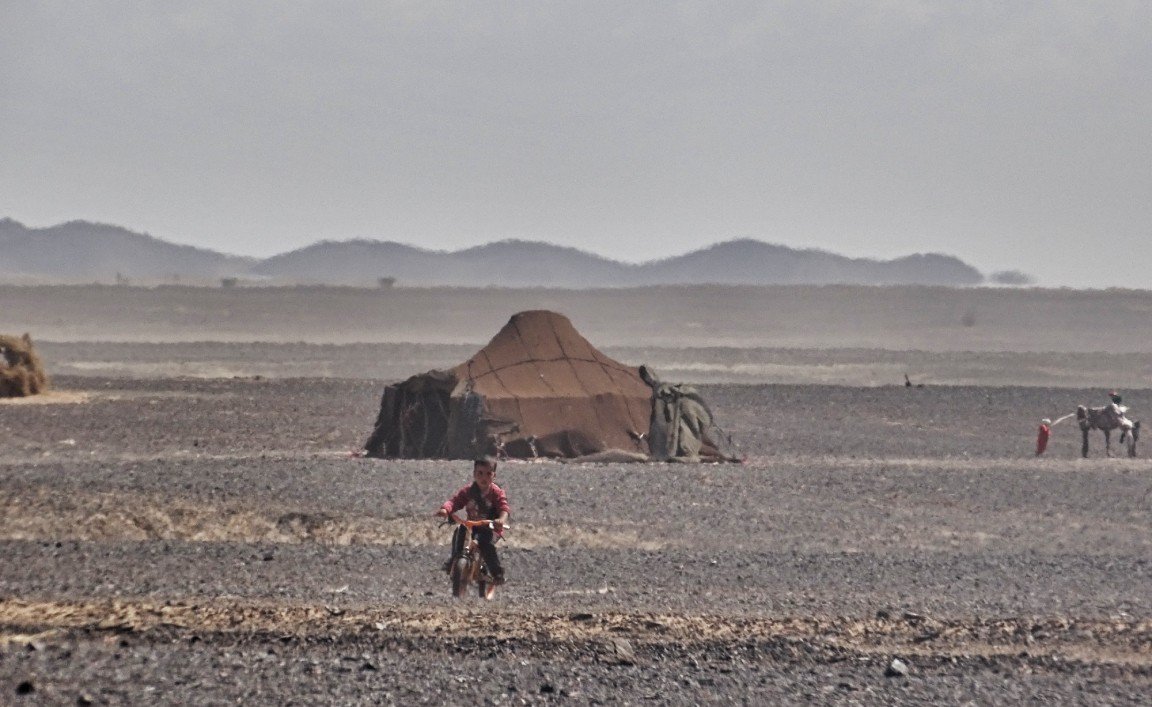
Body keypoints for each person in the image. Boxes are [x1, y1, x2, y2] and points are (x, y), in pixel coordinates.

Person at [435, 456, 510, 584]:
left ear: (494, 476)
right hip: (472, 526)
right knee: (459, 532)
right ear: (474, 474)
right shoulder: (468, 491)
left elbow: (504, 507)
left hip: (490, 528)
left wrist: (501, 519)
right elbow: (455, 501)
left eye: (488, 474)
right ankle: (454, 559)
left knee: (485, 544)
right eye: (480, 473)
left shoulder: (496, 493)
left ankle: (497, 573)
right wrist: (445, 510)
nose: (483, 477)